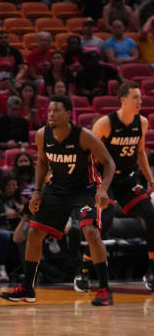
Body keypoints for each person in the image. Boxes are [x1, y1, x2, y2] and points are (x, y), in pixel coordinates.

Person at [0, 95, 115, 306]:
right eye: (49, 111)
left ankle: (104, 289)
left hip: (86, 189)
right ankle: (27, 288)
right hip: (58, 189)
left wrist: (104, 189)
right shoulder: (43, 135)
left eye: (56, 111)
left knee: (90, 231)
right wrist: (36, 191)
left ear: (68, 114)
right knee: (34, 232)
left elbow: (109, 162)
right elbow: (42, 162)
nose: (51, 114)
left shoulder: (84, 136)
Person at [74, 83, 154, 293]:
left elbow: (140, 153)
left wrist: (150, 180)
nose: (140, 101)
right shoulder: (105, 124)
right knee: (105, 220)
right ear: (123, 100)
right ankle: (83, 268)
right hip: (103, 179)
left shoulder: (142, 123)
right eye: (135, 97)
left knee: (151, 215)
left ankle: (152, 270)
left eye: (140, 97)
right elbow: (87, 153)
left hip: (127, 178)